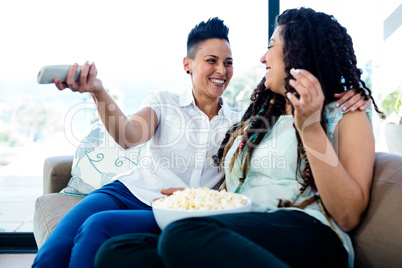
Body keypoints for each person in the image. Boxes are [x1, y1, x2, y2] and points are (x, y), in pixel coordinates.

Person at [33, 17, 368, 268]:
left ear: (299, 55)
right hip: (144, 196)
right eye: (211, 60)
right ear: (188, 65)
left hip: (207, 218)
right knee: (98, 242)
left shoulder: (245, 119)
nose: (222, 69)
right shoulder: (180, 106)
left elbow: (346, 211)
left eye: (229, 62)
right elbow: (127, 136)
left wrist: (325, 109)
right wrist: (97, 91)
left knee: (126, 231)